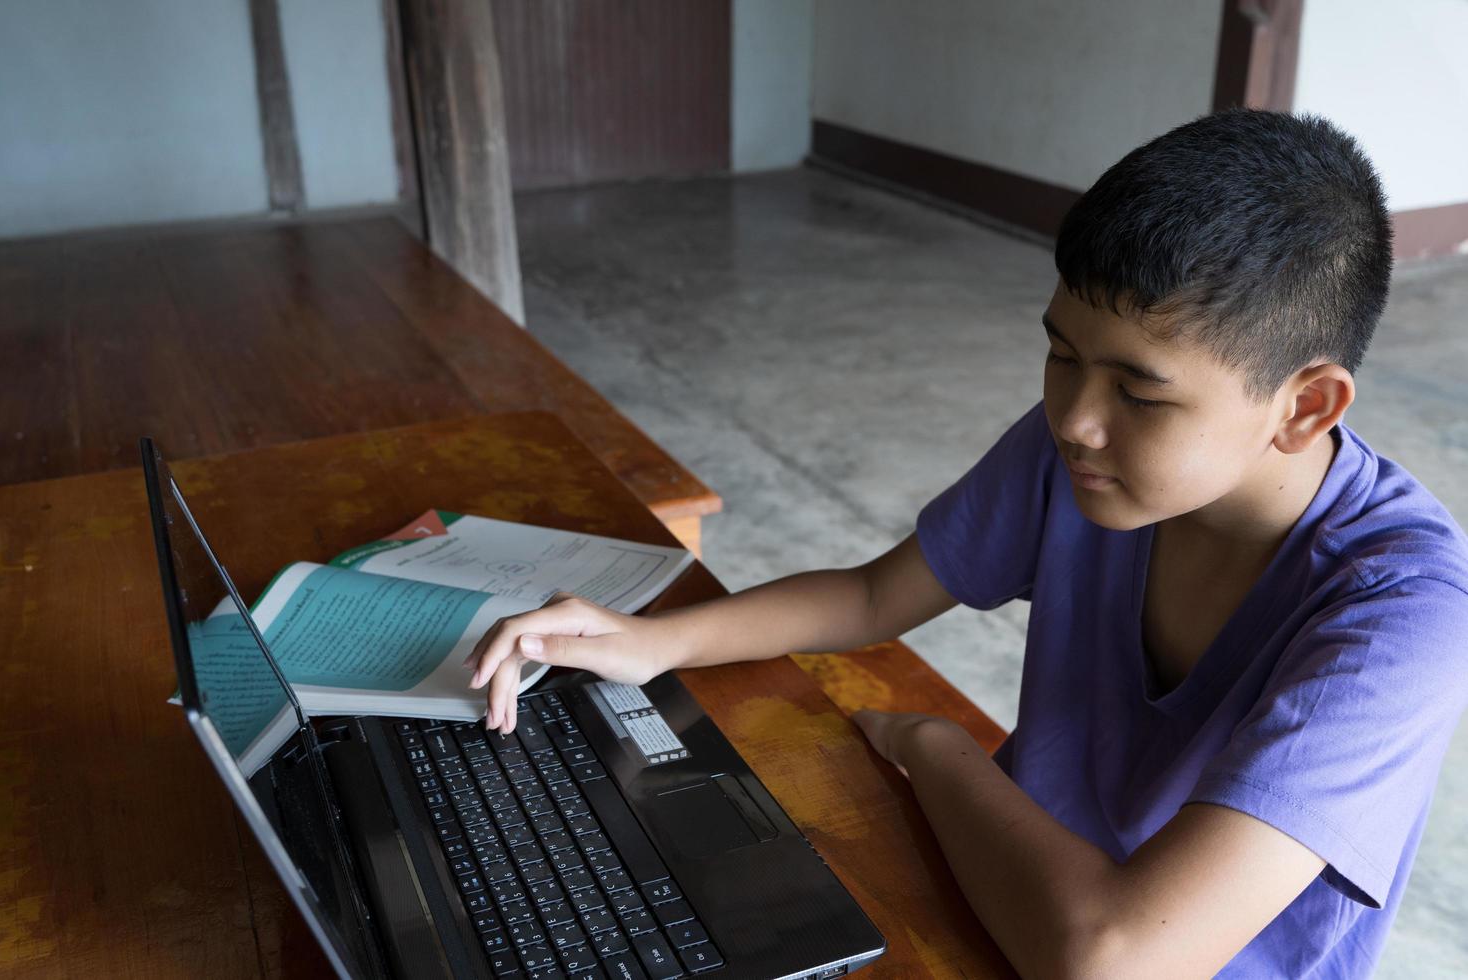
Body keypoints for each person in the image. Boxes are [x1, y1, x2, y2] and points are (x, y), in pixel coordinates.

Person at [464, 108, 1468, 977]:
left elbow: (1115, 957)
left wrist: (934, 743)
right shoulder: (1086, 459)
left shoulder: (1404, 613)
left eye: (1139, 389)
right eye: (1060, 354)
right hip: (1000, 885)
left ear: (1307, 405)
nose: (1075, 416)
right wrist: (652, 640)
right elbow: (871, 598)